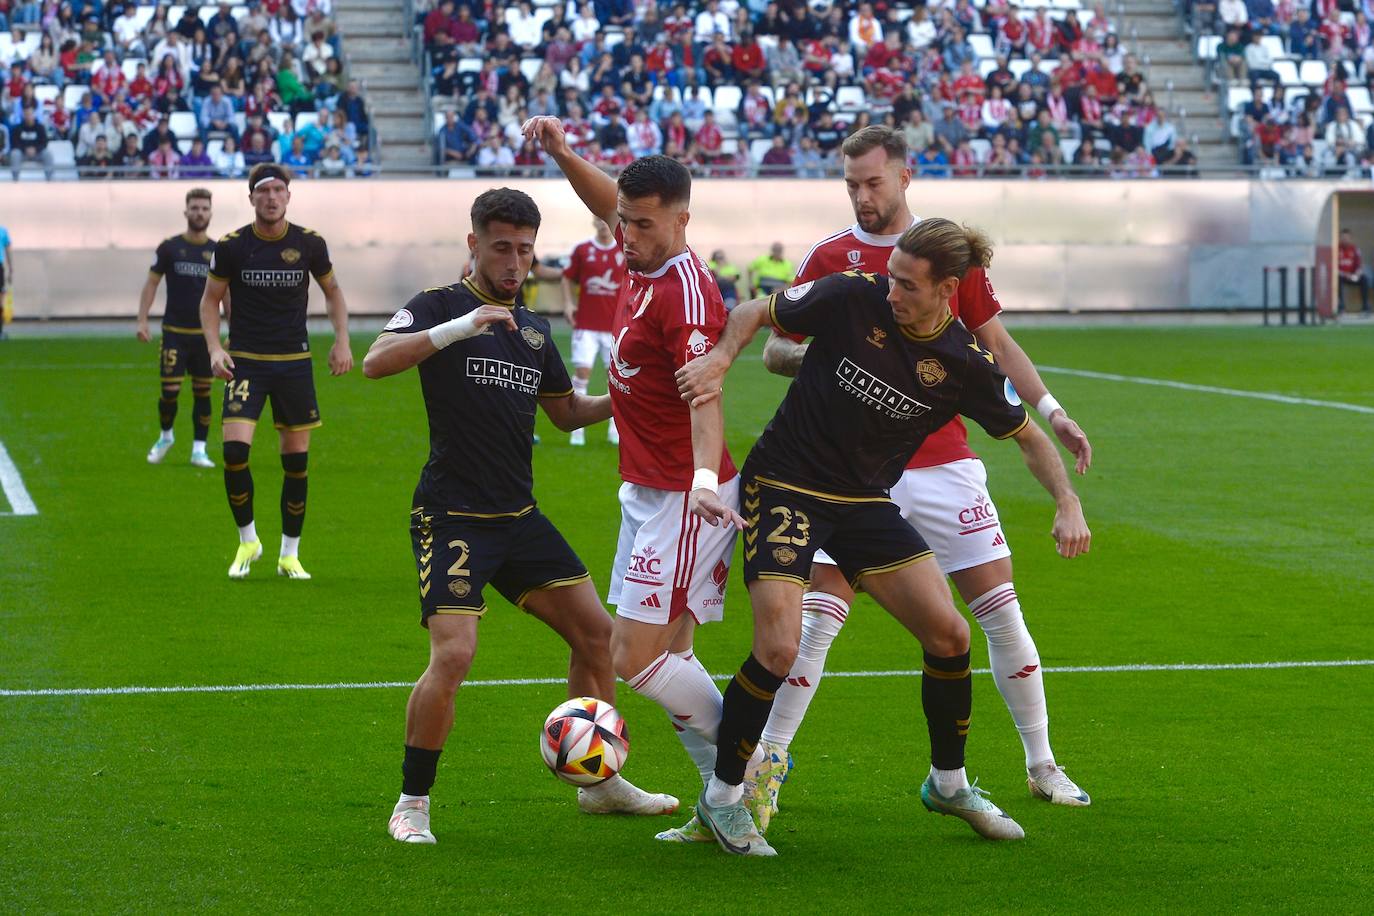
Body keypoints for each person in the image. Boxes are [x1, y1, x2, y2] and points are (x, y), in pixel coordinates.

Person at [676, 218, 1091, 855]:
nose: (889, 291)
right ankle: (725, 798)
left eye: (906, 284)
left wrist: (1066, 500)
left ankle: (948, 783)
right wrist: (721, 357)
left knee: (950, 633)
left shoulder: (964, 362)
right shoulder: (851, 294)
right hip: (785, 483)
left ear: (947, 289)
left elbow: (1029, 437)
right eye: (890, 276)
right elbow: (758, 309)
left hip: (863, 501)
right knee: (780, 647)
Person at [749, 127, 1095, 830]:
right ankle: (766, 770)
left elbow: (994, 344)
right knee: (816, 623)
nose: (862, 195)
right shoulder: (833, 260)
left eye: (873, 182)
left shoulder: (946, 258)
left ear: (904, 177)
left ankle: (1040, 762)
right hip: (844, 473)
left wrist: (1050, 410)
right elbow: (777, 344)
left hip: (942, 464)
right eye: (851, 184)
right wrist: (812, 360)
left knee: (997, 611)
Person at [361, 188, 677, 845]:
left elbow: (565, 413)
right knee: (455, 654)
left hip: (519, 516)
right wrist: (460, 327)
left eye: (525, 250)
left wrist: (634, 392)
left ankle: (601, 785)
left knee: (597, 637)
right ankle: (412, 803)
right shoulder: (438, 306)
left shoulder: (534, 329)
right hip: (451, 517)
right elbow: (375, 362)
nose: (515, 262)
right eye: (501, 247)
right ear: (473, 244)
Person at [523, 117, 754, 843]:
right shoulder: (638, 250)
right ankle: (722, 804)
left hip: (687, 495)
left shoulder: (688, 297)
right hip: (646, 488)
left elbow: (705, 395)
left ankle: (750, 764)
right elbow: (609, 200)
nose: (626, 234)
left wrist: (705, 483)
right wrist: (563, 153)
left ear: (683, 220)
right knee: (675, 654)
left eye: (643, 225)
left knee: (634, 656)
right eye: (623, 221)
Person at [199, 164, 353, 580]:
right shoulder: (232, 246)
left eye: (278, 190)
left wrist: (342, 340)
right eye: (263, 190)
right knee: (234, 453)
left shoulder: (309, 243)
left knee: (296, 463)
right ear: (251, 198)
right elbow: (210, 299)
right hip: (245, 361)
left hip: (293, 364)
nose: (271, 197)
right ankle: (248, 540)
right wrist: (215, 348)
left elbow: (333, 291)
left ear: (288, 196)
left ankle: (289, 554)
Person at [138, 188, 220, 469]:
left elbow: (227, 293)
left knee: (203, 392)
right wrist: (142, 320)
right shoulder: (169, 247)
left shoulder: (217, 251)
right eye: (194, 208)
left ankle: (199, 449)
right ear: (186, 212)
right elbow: (152, 283)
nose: (199, 213)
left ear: (210, 213)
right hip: (174, 332)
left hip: (206, 337)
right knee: (170, 391)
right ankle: (166, 436)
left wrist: (234, 328)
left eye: (204, 208)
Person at [560, 217, 625, 447]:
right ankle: (577, 431)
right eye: (598, 219)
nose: (602, 223)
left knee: (617, 379)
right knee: (582, 373)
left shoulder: (624, 249)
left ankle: (615, 430)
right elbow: (566, 277)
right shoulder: (583, 249)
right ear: (593, 221)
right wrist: (568, 304)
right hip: (586, 324)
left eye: (604, 219)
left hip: (615, 327)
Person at [1337, 228, 1370, 316]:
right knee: (1337, 280)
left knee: (1365, 279)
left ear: (1350, 238)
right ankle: (1341, 308)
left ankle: (1365, 308)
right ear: (1340, 238)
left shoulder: (1355, 249)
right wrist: (1344, 274)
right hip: (1341, 276)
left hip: (1353, 276)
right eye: (1343, 238)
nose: (1345, 239)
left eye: (1347, 238)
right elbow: (1333, 267)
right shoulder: (1336, 249)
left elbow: (1359, 265)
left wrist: (1355, 274)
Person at [0, 222, 10, 339]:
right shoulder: (2, 231)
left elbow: (7, 249)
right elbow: (8, 250)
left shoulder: (3, 231)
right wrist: (11, 269)